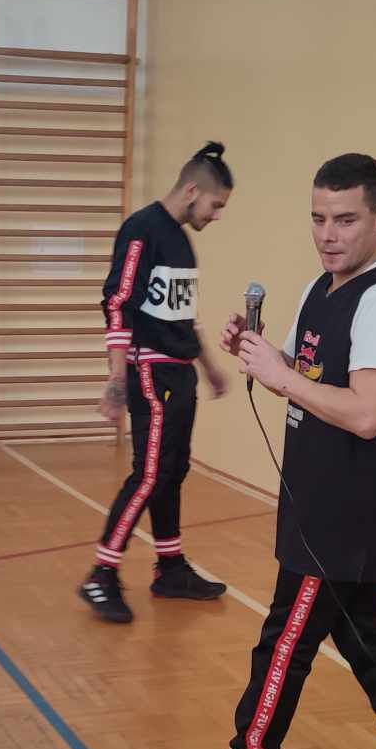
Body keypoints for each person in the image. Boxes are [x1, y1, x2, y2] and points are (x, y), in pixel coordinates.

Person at [158, 152, 376, 749]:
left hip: (345, 510)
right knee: (363, 633)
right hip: (316, 496)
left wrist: (282, 376)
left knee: (285, 638)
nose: (328, 234)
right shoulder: (323, 288)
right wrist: (260, 353)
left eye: (345, 220)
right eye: (318, 218)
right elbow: (304, 377)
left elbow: (367, 413)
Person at [78, 142, 235, 624]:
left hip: (180, 371)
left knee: (172, 470)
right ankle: (102, 574)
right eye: (215, 205)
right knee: (149, 474)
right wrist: (116, 378)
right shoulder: (141, 229)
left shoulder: (182, 242)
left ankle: (170, 568)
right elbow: (117, 302)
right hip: (149, 371)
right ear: (191, 191)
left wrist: (208, 365)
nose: (217, 216)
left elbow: (181, 316)